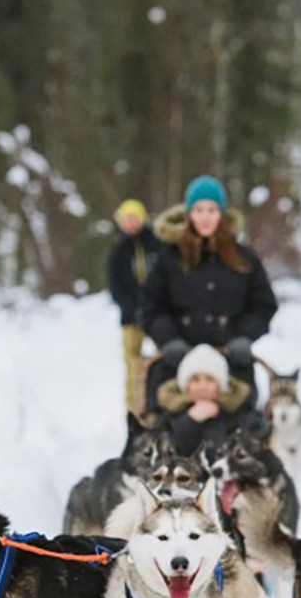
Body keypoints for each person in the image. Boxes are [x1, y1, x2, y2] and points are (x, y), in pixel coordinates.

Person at [139, 175, 278, 411]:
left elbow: (263, 305)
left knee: (245, 423)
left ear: (222, 214)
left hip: (232, 361)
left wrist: (244, 337)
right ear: (189, 214)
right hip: (177, 363)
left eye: (212, 210)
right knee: (166, 422)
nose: (205, 217)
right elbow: (150, 306)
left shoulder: (244, 259)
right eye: (199, 210)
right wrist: (168, 339)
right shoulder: (168, 259)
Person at [106, 198, 163, 414]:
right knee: (133, 365)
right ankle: (135, 412)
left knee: (163, 359)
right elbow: (116, 287)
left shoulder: (158, 246)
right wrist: (131, 309)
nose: (131, 223)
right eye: (126, 219)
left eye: (134, 218)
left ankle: (163, 406)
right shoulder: (118, 253)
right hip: (131, 318)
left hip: (158, 314)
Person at [156, 344, 263, 455]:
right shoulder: (168, 416)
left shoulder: (238, 414)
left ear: (220, 386)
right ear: (185, 386)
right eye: (195, 380)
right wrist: (190, 420)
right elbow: (168, 449)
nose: (202, 386)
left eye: (210, 379)